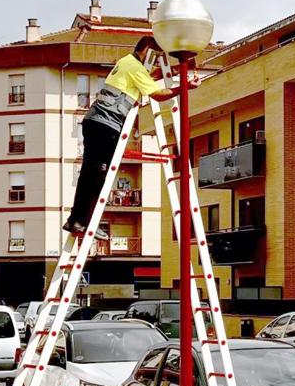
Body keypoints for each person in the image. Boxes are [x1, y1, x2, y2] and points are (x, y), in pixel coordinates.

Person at [64, 36, 198, 239]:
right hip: (106, 126)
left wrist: (178, 70)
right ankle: (86, 222)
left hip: (94, 122)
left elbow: (147, 78)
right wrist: (186, 87)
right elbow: (158, 94)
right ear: (148, 52)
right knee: (99, 176)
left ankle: (76, 219)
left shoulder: (126, 62)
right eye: (156, 56)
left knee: (88, 176)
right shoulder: (135, 68)